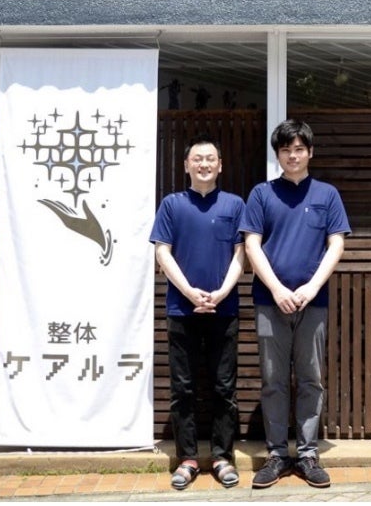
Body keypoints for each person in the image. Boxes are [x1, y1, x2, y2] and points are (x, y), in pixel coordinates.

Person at [240, 119, 351, 489]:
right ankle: (276, 454)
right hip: (268, 302)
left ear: (310, 152)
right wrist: (276, 289)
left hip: (313, 303)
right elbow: (252, 244)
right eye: (286, 149)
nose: (293, 155)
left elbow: (336, 244)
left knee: (310, 379)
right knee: (273, 380)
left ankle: (307, 454)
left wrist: (311, 287)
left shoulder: (327, 195)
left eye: (299, 149)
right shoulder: (262, 194)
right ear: (277, 154)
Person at [149, 134, 246, 490]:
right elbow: (162, 252)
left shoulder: (235, 204)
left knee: (223, 387)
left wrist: (222, 292)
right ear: (186, 165)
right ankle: (187, 458)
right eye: (197, 159)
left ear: (220, 166)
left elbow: (242, 253)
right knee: (183, 388)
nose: (204, 164)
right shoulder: (172, 205)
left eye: (210, 159)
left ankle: (222, 457)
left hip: (224, 309)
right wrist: (189, 292)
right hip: (181, 310)